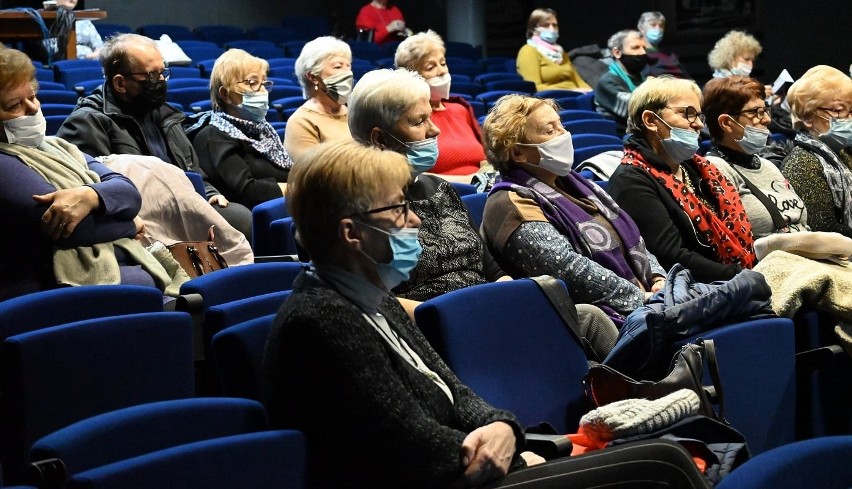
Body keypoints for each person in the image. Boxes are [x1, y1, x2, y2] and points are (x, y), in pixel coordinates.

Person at [262, 138, 713, 489]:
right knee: (662, 464)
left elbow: (459, 395)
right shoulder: (321, 320)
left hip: (475, 463)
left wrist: (503, 427)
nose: (416, 220)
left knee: (677, 445)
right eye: (399, 209)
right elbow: (409, 445)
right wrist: (511, 452)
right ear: (351, 233)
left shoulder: (372, 297)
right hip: (451, 479)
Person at [0, 47, 171, 301]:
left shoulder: (57, 146)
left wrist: (91, 196)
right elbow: (67, 229)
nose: (33, 109)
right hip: (40, 293)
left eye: (32, 97)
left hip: (112, 272)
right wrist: (129, 224)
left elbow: (128, 191)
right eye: (14, 105)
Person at [480, 94, 667, 324]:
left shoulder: (575, 183)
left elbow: (631, 237)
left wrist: (658, 278)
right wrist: (644, 298)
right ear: (517, 153)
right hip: (605, 321)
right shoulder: (509, 203)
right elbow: (569, 271)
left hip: (649, 302)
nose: (564, 135)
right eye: (550, 130)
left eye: (561, 125)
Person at [56, 33, 253, 239]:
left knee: (239, 218)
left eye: (163, 73)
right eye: (152, 76)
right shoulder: (87, 123)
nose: (160, 81)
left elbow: (193, 172)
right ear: (120, 83)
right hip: (140, 216)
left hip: (180, 205)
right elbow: (96, 190)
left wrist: (210, 194)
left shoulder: (164, 114)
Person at [607, 76, 756, 283]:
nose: (697, 125)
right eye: (687, 114)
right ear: (650, 121)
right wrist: (742, 276)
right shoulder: (631, 181)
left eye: (698, 115)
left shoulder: (700, 169)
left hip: (738, 274)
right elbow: (672, 257)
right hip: (701, 288)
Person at [702, 75, 808, 237]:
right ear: (726, 123)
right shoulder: (714, 169)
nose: (766, 119)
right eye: (755, 112)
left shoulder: (768, 165)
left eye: (765, 110)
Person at [185, 49, 291, 210]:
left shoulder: (263, 131)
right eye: (252, 83)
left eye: (264, 82)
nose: (262, 91)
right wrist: (300, 189)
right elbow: (247, 192)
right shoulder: (213, 136)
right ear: (225, 94)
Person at [394, 30, 486, 181]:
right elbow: (411, 175)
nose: (442, 71)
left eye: (443, 63)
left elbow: (485, 158)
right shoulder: (409, 119)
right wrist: (470, 181)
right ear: (410, 76)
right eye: (431, 67)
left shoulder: (461, 108)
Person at [781, 65, 852, 238]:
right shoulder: (801, 162)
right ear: (807, 117)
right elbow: (823, 227)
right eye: (838, 110)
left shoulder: (842, 153)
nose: (849, 118)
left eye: (851, 110)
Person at [284, 36, 353, 164]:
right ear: (313, 77)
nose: (348, 73)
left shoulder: (354, 113)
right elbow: (313, 173)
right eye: (338, 67)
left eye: (348, 66)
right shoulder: (301, 121)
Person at [516, 8, 592, 92]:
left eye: (554, 25)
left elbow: (578, 80)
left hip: (578, 95)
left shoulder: (559, 51)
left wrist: (591, 92)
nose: (552, 29)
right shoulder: (528, 50)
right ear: (534, 28)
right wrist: (572, 91)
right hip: (553, 98)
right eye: (546, 25)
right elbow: (534, 87)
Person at [594, 29, 648, 135]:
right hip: (621, 138)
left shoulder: (640, 78)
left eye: (644, 47)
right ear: (617, 52)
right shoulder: (607, 82)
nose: (643, 52)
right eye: (635, 47)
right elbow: (636, 109)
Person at [636, 11, 689, 79]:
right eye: (653, 25)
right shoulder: (636, 56)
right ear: (641, 28)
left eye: (661, 26)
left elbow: (687, 80)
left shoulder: (670, 56)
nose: (658, 29)